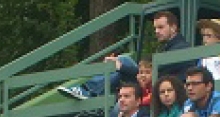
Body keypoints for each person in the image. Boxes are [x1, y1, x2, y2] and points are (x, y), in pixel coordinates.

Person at [59, 11, 193, 101]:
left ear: (174, 27)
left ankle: (87, 91)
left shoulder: (181, 48)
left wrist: (121, 66)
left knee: (123, 62)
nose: (157, 32)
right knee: (122, 63)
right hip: (155, 86)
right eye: (155, 28)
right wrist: (121, 67)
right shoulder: (169, 47)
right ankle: (87, 91)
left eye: (161, 27)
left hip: (164, 91)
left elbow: (153, 72)